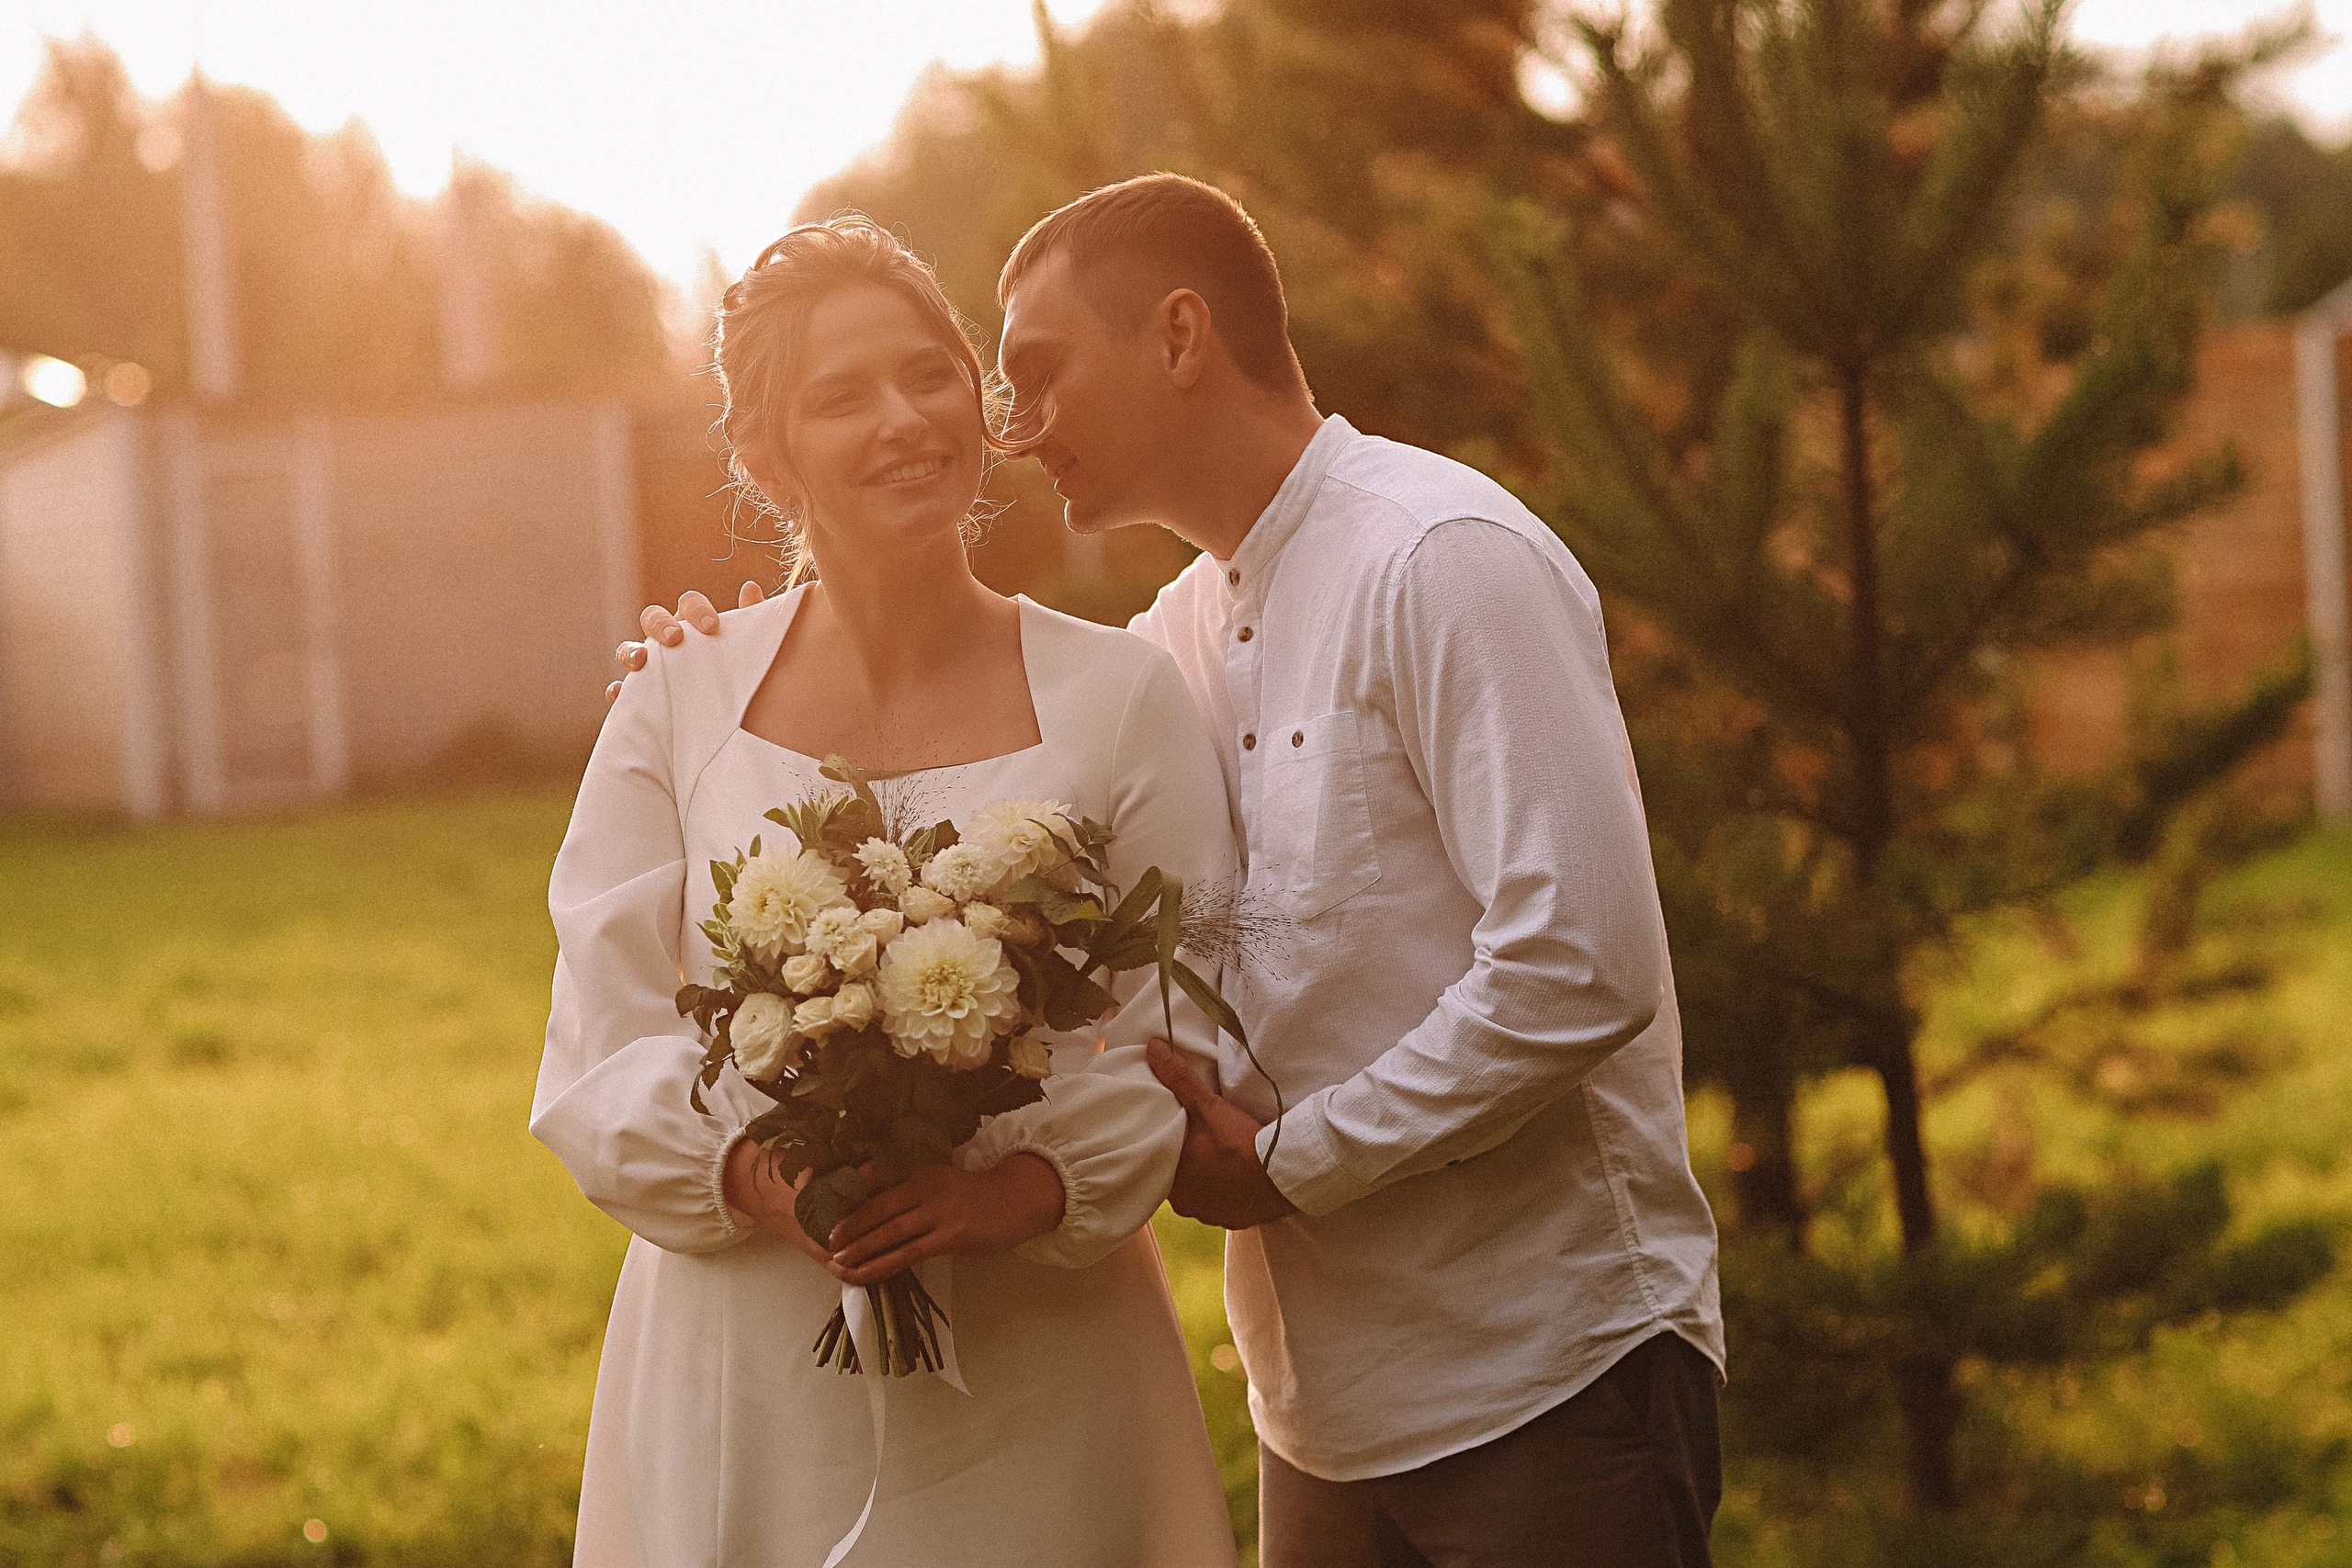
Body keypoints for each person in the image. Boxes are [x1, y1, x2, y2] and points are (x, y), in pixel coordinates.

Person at [627, 175, 1726, 1568]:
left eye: (1039, 374)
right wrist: (735, 668)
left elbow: (1583, 965)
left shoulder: (1442, 559)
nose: (1017, 428)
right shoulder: (1173, 642)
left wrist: (1293, 1163)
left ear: (1182, 335)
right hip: (1318, 1411)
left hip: (1545, 1375)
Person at [537, 214, 1239, 1567]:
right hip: (751, 1367)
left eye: (930, 376)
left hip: (1044, 1358)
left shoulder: (1124, 697)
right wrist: (760, 1179)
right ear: (766, 455)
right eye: (842, 396)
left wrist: (1016, 1194)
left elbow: (1188, 1023)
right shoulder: (678, 698)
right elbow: (597, 1043)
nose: (906, 420)